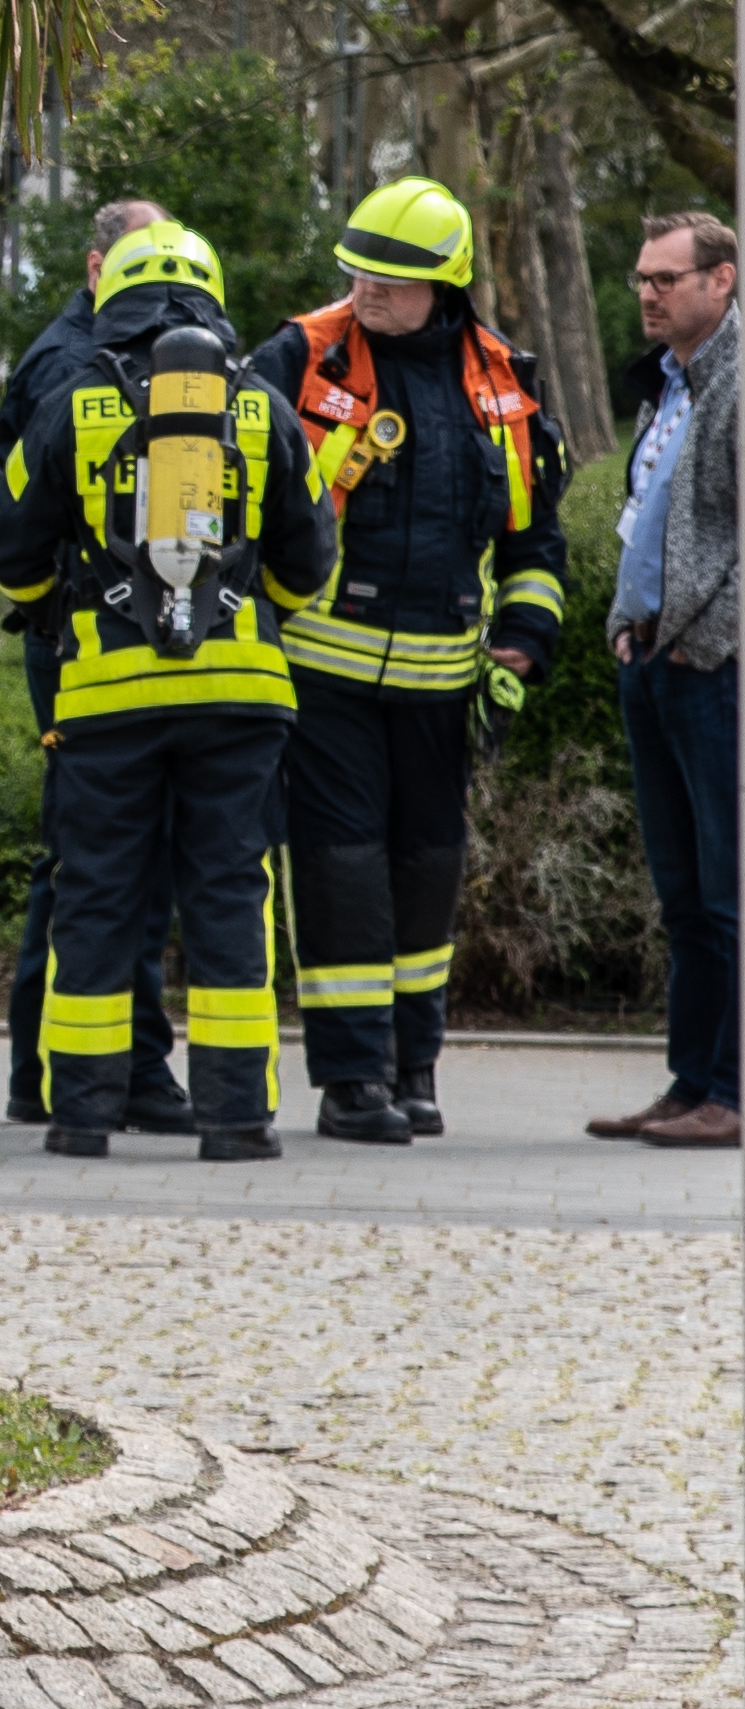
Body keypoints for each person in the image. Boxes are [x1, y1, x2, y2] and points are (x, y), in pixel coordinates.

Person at [0, 220, 336, 1161]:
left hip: (103, 700)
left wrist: (61, 603)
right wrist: (250, 614)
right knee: (227, 897)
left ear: (111, 295)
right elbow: (310, 557)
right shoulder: (259, 404)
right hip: (241, 696)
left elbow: (12, 548)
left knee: (95, 898)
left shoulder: (75, 399)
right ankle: (236, 1121)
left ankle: (80, 1116)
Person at [250, 178, 571, 1145]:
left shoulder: (503, 381)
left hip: (442, 686)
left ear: (448, 283)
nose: (367, 292)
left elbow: (534, 541)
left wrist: (519, 645)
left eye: (390, 279)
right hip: (324, 677)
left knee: (428, 871)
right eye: (357, 272)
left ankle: (413, 1066)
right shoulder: (299, 356)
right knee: (341, 871)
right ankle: (350, 1083)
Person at [0, 197, 191, 1134]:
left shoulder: (74, 349)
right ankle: (105, 1068)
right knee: (99, 862)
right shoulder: (77, 364)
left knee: (92, 856)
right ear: (100, 263)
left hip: (87, 637)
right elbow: (23, 519)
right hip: (90, 644)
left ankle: (60, 1067)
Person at [587, 211, 740, 1149]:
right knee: (681, 897)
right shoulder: (670, 386)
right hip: (652, 659)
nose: (647, 293)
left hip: (711, 670)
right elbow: (646, 517)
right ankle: (689, 1084)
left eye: (667, 279)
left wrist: (708, 640)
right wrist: (621, 626)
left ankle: (729, 1088)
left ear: (721, 282)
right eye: (642, 278)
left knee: (726, 893)